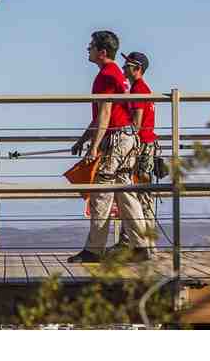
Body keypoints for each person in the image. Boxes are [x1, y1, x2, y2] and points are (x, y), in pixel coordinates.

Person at [67, 31, 149, 263]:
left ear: (102, 52)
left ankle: (94, 250)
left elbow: (105, 113)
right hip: (126, 137)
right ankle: (140, 246)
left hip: (116, 138)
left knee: (101, 190)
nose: (88, 49)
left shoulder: (105, 75)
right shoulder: (115, 74)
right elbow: (104, 114)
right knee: (125, 191)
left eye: (91, 46)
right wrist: (84, 139)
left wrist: (93, 147)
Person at [110, 52, 158, 256]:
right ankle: (136, 242)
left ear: (138, 68)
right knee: (136, 195)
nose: (123, 68)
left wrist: (125, 140)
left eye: (127, 65)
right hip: (146, 145)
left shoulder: (139, 89)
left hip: (142, 146)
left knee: (140, 196)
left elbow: (137, 123)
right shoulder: (141, 89)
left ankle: (145, 245)